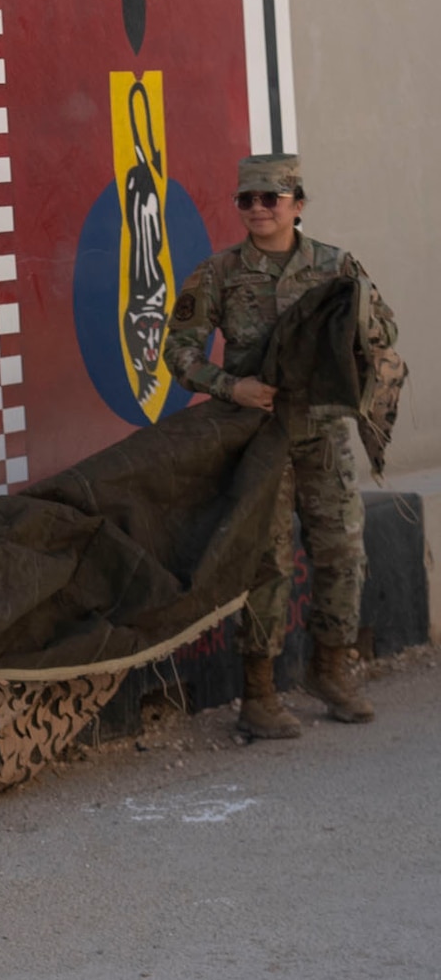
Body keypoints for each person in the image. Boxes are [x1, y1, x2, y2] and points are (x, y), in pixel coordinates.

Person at [163, 153, 395, 741]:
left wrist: (356, 330)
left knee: (342, 553)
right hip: (258, 439)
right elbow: (179, 351)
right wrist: (229, 385)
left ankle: (331, 670)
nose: (259, 209)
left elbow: (383, 329)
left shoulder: (335, 266)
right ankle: (259, 694)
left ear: (298, 204)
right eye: (248, 199)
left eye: (272, 198)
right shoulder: (218, 274)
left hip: (323, 433)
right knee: (266, 566)